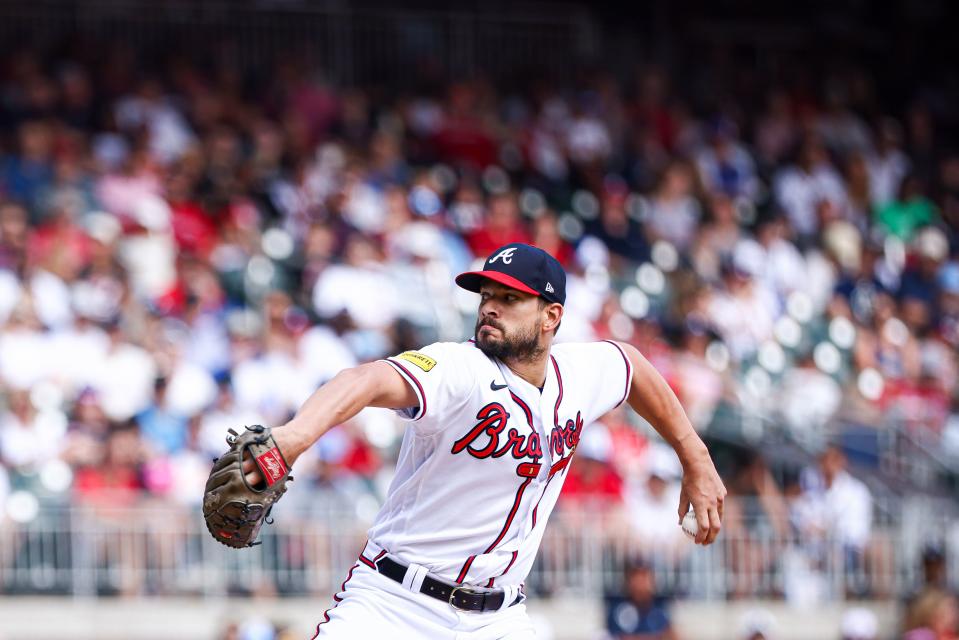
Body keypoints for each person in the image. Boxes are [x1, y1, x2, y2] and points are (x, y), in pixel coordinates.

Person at [240, 242, 727, 639]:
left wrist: (696, 458)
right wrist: (295, 437)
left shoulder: (579, 375)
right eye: (486, 295)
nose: (491, 306)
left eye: (510, 298)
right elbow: (366, 379)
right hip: (393, 604)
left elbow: (632, 366)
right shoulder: (459, 369)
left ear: (550, 316)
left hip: (497, 619)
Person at [604, 560, 676, 640]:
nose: (640, 585)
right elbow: (614, 635)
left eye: (644, 579)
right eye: (636, 579)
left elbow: (670, 634)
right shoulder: (618, 608)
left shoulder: (660, 607)